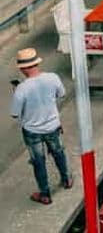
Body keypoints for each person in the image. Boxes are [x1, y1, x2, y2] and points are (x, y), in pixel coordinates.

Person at [10, 48, 72, 205]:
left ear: (23, 69)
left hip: (32, 131)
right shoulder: (53, 78)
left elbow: (15, 113)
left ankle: (45, 194)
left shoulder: (21, 89)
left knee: (38, 161)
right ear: (37, 63)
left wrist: (16, 92)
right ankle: (66, 179)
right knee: (59, 153)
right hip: (53, 125)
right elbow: (61, 94)